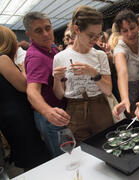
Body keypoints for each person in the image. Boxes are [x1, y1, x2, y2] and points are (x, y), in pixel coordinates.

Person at [53, 5, 114, 142]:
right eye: (90, 35)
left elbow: (108, 90)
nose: (95, 40)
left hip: (100, 107)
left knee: (106, 143)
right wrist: (57, 80)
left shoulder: (100, 55)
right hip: (75, 110)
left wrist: (93, 72)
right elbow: (59, 94)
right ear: (76, 29)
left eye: (98, 35)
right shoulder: (60, 58)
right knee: (82, 151)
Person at [0, 25, 50, 170]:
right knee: (35, 156)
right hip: (19, 117)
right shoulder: (3, 59)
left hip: (8, 118)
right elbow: (23, 86)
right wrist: (23, 71)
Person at [23, 11, 70, 157]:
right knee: (62, 157)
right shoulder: (36, 56)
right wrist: (47, 111)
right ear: (29, 34)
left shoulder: (51, 47)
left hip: (59, 111)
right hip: (50, 116)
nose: (45, 34)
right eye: (38, 31)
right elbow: (32, 91)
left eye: (48, 28)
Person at [112, 9, 139, 119]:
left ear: (138, 25)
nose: (130, 33)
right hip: (130, 90)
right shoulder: (120, 50)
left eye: (132, 28)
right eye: (125, 31)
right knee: (136, 119)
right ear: (120, 32)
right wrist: (124, 99)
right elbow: (122, 73)